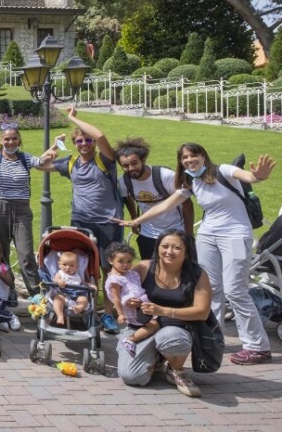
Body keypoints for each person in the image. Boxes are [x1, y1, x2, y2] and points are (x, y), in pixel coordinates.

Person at [113, 144, 274, 366]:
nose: (189, 160)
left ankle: (257, 346)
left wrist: (257, 176)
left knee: (236, 289)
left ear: (203, 156)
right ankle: (214, 336)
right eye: (185, 157)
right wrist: (137, 221)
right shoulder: (191, 180)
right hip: (208, 235)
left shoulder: (223, 171)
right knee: (211, 287)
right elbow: (167, 204)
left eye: (193, 155)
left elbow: (247, 176)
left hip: (236, 236)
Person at [40, 107, 122, 332]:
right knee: (83, 265)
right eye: (79, 141)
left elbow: (101, 136)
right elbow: (40, 166)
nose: (84, 143)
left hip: (108, 222)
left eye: (87, 140)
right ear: (74, 144)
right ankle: (77, 305)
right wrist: (53, 149)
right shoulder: (71, 163)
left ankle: (107, 313)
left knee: (107, 268)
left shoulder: (105, 161)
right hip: (80, 221)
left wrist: (73, 118)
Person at [116, 230, 212, 398]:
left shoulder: (197, 274)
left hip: (176, 327)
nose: (169, 251)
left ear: (187, 251)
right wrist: (128, 302)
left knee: (172, 339)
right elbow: (119, 288)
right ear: (157, 247)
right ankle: (157, 358)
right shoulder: (144, 268)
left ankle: (175, 369)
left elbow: (202, 312)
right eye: (165, 246)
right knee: (132, 376)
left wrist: (163, 311)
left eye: (176, 248)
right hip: (142, 327)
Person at [0, 123, 52, 300]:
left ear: (19, 139)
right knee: (0, 252)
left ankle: (37, 294)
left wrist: (56, 146)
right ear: (1, 140)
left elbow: (41, 162)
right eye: (7, 139)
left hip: (21, 209)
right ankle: (8, 290)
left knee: (26, 254)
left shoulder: (24, 158)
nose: (11, 142)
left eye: (14, 138)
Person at [115, 138, 194, 260]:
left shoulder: (165, 176)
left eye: (134, 163)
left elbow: (187, 203)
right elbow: (127, 199)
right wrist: (135, 219)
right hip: (148, 233)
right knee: (150, 272)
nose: (130, 168)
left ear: (143, 160)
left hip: (176, 230)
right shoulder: (124, 181)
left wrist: (188, 233)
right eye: (125, 166)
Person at [105, 242, 160, 357]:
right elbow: (115, 298)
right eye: (120, 261)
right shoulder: (115, 280)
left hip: (142, 305)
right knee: (154, 325)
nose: (125, 265)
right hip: (133, 310)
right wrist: (120, 314)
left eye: (129, 261)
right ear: (111, 260)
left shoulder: (130, 274)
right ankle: (130, 339)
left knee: (154, 323)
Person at [49, 251, 96, 328]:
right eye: (64, 264)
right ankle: (60, 316)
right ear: (59, 264)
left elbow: (83, 282)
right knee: (57, 300)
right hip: (63, 294)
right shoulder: (60, 273)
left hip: (78, 294)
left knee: (84, 299)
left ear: (77, 267)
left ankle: (78, 308)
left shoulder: (78, 275)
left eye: (71, 265)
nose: (67, 267)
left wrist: (89, 284)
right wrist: (59, 281)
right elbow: (55, 279)